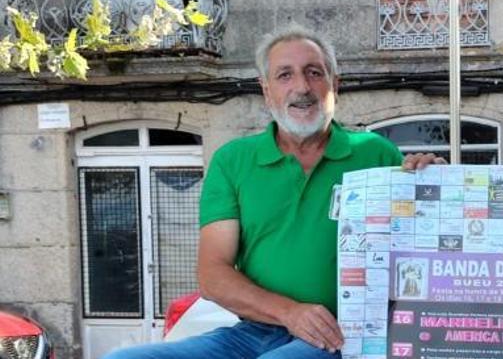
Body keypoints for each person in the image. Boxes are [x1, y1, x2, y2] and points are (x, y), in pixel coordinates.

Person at [104, 27, 440, 359]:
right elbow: (213, 275)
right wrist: (290, 313)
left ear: (335, 85)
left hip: (342, 334)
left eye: (314, 73)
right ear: (266, 91)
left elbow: (420, 248)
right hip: (253, 333)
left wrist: (434, 182)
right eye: (285, 75)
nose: (302, 87)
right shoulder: (233, 161)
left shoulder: (377, 155)